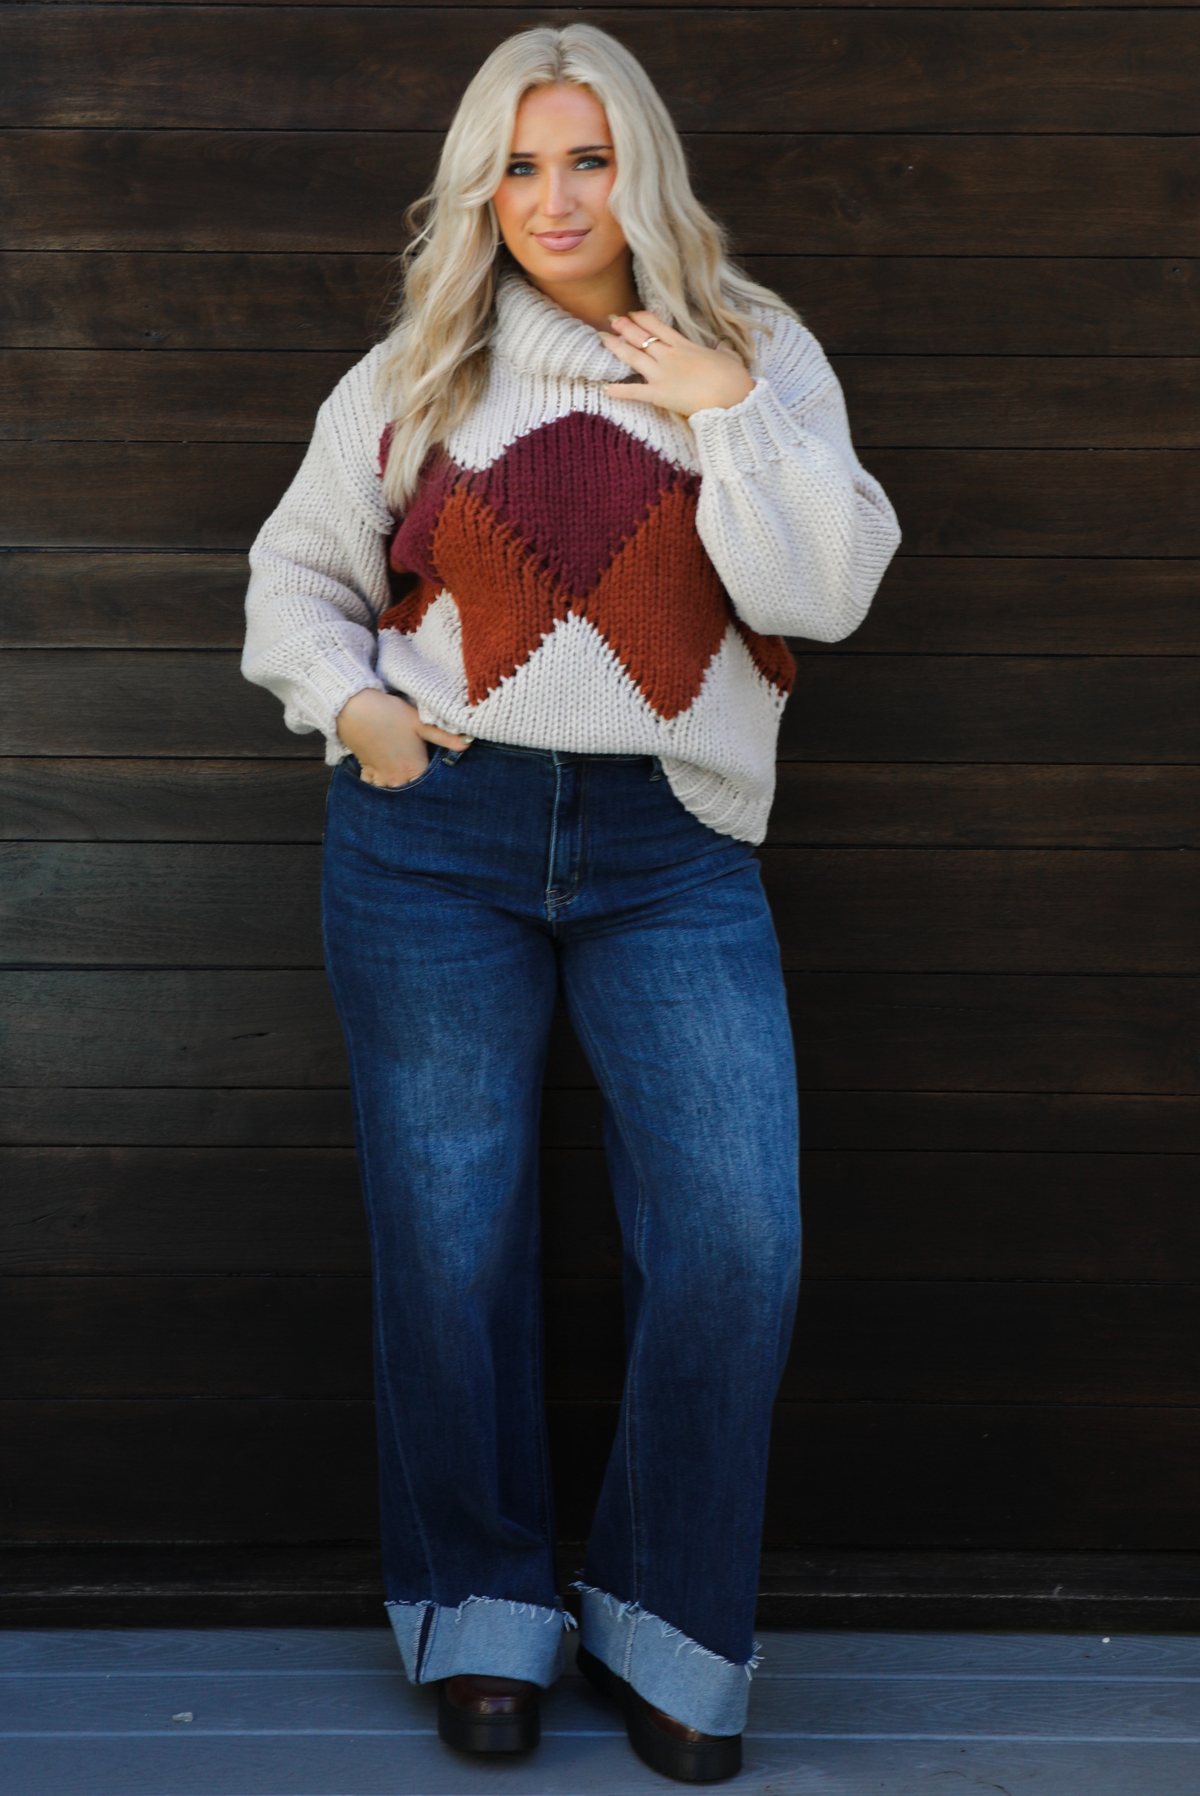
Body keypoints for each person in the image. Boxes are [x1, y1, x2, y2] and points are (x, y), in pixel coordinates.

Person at [243, 22, 899, 1783]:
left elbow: (825, 591)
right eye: (519, 164)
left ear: (643, 169)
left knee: (736, 1241)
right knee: (451, 1247)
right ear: (481, 182)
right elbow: (294, 577)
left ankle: (672, 1626)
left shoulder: (754, 348)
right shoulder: (423, 364)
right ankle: (484, 1618)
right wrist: (364, 714)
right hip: (433, 838)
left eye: (587, 158)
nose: (552, 197)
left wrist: (730, 416)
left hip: (673, 848)